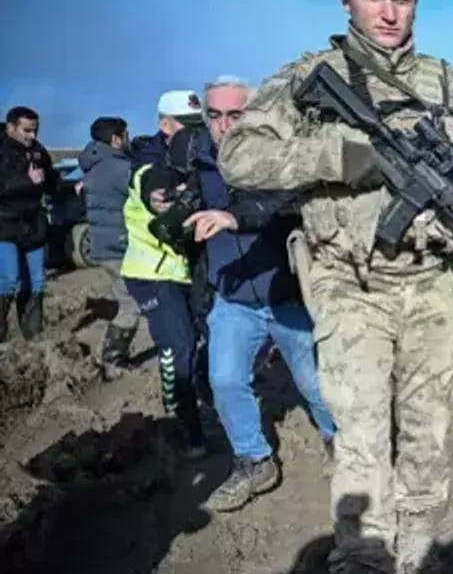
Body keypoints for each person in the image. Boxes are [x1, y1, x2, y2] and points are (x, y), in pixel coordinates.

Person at [216, 0, 453, 574]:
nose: (390, 12)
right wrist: (341, 155)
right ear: (347, 1)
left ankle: (414, 554)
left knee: (426, 434)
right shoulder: (307, 78)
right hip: (349, 285)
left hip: (434, 285)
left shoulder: (446, 82)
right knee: (359, 438)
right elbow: (241, 158)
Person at [179, 76, 338, 513]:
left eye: (235, 114)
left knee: (315, 382)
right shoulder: (197, 159)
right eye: (215, 115)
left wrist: (233, 217)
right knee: (226, 381)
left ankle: (339, 441)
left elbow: (278, 203)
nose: (224, 125)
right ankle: (254, 461)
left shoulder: (278, 155)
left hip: (286, 296)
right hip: (231, 297)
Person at [122, 124, 211, 458]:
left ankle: (201, 394)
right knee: (178, 345)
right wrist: (162, 199)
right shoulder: (151, 166)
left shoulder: (197, 163)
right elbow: (151, 185)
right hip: (151, 274)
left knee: (207, 337)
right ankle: (183, 426)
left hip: (185, 274)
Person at [79, 116, 141, 377]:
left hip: (105, 245)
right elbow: (144, 196)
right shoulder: (119, 168)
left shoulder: (94, 165)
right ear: (116, 139)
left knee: (128, 299)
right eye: (125, 135)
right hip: (119, 246)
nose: (128, 140)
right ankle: (113, 361)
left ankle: (112, 358)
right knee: (131, 305)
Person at [0, 106, 55, 342]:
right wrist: (27, 181)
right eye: (27, 130)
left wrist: (71, 188)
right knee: (8, 279)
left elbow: (50, 181)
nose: (32, 136)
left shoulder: (38, 151)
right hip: (5, 225)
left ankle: (33, 337)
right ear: (10, 128)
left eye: (36, 130)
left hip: (33, 225)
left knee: (37, 281)